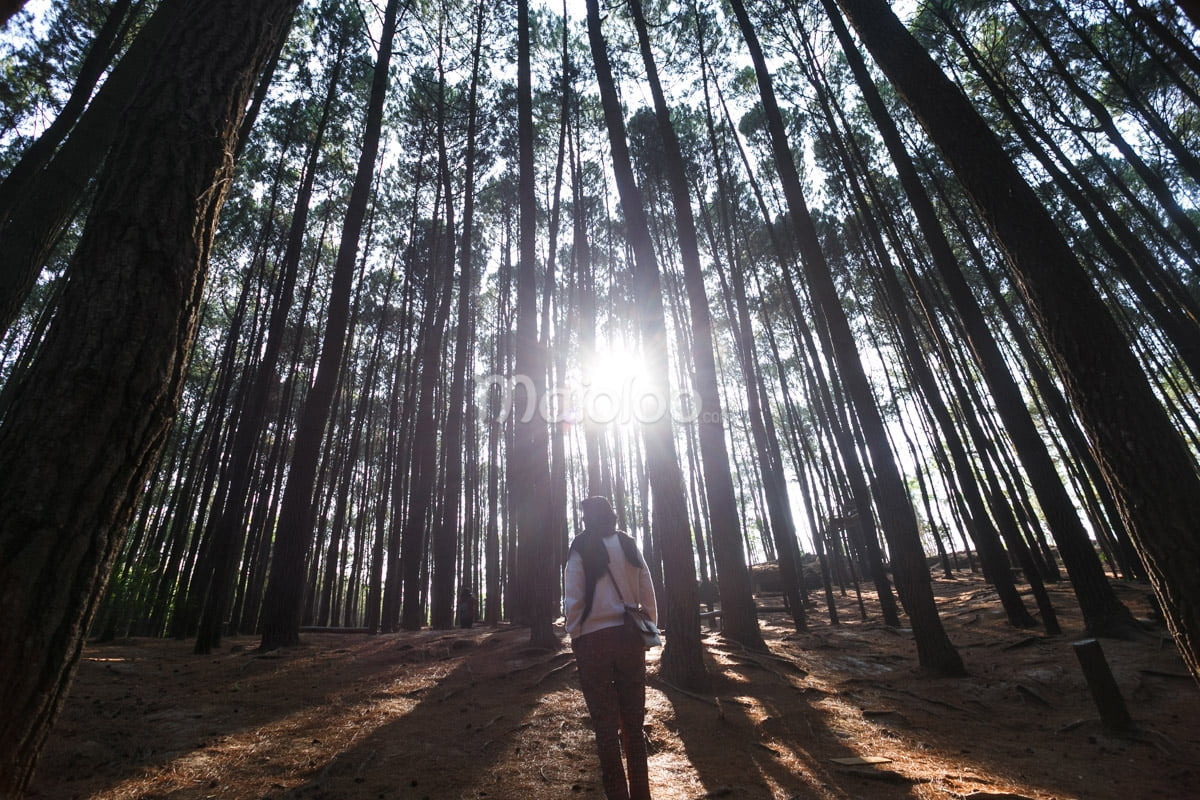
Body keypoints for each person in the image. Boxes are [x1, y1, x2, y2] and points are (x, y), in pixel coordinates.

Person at [563, 495, 657, 800]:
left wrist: (575, 631)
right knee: (634, 722)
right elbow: (647, 587)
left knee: (605, 728)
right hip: (630, 638)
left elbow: (573, 595)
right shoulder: (628, 543)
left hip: (592, 641)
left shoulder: (580, 546)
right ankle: (641, 795)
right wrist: (649, 625)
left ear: (588, 518)